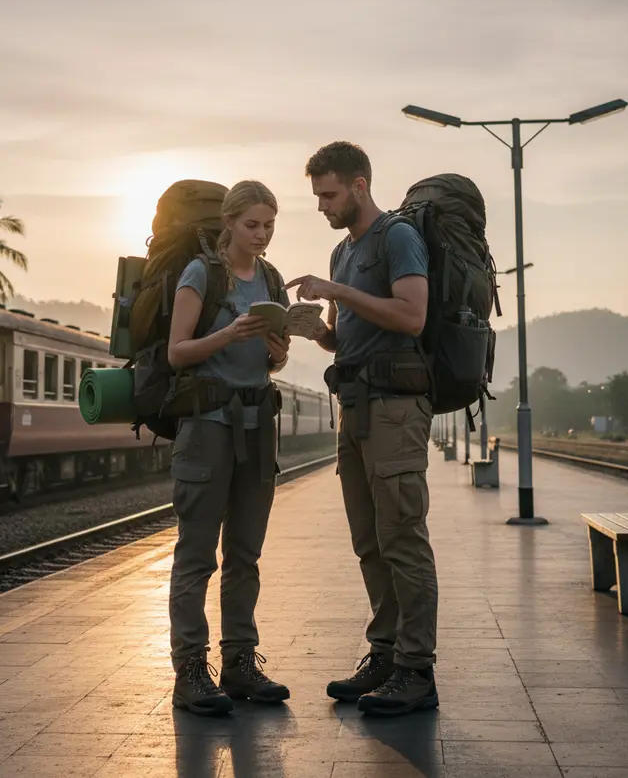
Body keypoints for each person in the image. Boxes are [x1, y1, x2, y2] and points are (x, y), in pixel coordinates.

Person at [285, 141, 439, 717]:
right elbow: (345, 335)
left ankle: (416, 671)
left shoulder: (397, 237)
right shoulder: (341, 252)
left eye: (329, 194)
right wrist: (315, 330)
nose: (322, 206)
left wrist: (339, 292)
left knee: (403, 538)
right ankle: (385, 654)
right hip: (353, 406)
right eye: (317, 196)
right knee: (370, 542)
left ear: (359, 185)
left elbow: (412, 316)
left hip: (395, 408)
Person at [167, 179, 293, 716]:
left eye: (269, 225)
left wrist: (277, 349)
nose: (261, 235)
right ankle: (191, 671)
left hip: (257, 425)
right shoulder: (202, 274)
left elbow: (274, 362)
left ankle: (240, 662)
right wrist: (228, 335)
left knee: (245, 552)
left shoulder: (272, 279)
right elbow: (177, 352)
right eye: (252, 225)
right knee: (197, 553)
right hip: (208, 427)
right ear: (230, 222)